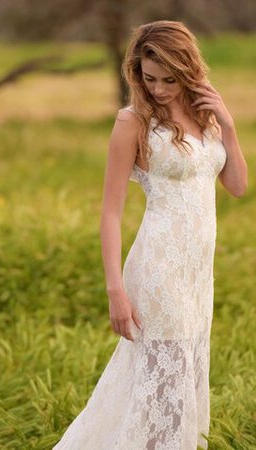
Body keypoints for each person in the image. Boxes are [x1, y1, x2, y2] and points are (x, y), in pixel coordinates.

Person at [52, 20, 248, 450]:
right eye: (148, 76)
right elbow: (110, 213)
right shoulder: (133, 121)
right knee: (168, 381)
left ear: (188, 69)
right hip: (158, 266)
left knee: (180, 377)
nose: (157, 88)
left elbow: (236, 186)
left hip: (197, 271)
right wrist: (115, 291)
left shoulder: (206, 114)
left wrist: (228, 126)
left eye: (168, 79)